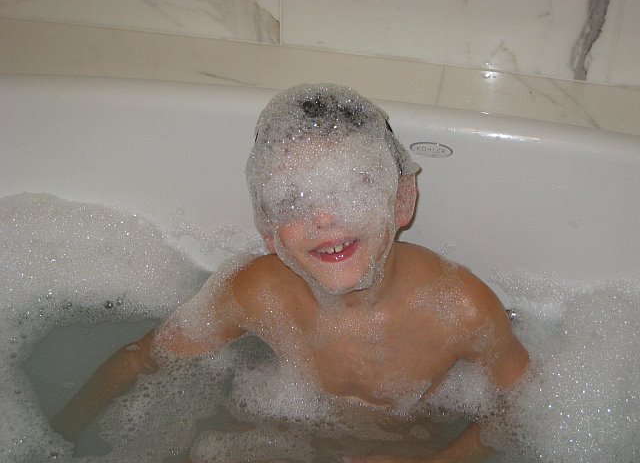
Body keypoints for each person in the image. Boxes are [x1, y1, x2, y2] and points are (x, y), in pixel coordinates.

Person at [52, 83, 529, 462]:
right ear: (268, 230)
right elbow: (142, 358)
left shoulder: (458, 308)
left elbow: (521, 409)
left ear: (402, 200)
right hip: (288, 434)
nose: (323, 218)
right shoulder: (257, 293)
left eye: (350, 189)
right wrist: (55, 439)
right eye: (291, 198)